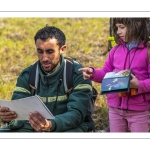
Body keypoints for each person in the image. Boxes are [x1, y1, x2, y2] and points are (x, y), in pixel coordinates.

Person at [0, 25, 94, 132]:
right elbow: (19, 113)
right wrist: (10, 118)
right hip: (32, 128)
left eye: (50, 52)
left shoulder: (79, 74)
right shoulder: (27, 74)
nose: (44, 58)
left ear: (62, 49)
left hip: (69, 128)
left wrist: (50, 125)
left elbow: (76, 115)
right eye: (40, 51)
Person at [79, 18, 150, 132]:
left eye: (122, 27)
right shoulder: (115, 50)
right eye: (117, 28)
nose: (118, 32)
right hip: (115, 109)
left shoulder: (147, 52)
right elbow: (106, 73)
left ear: (137, 25)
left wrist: (139, 85)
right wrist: (93, 73)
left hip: (139, 111)